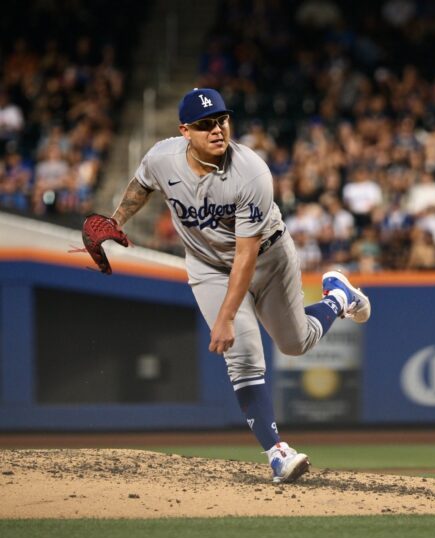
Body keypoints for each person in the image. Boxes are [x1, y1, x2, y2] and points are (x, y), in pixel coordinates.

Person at [109, 88, 371, 483]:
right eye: (205, 124)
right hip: (209, 266)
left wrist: (226, 317)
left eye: (221, 119)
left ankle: (337, 297)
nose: (217, 129)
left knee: (295, 343)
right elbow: (141, 184)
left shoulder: (251, 172)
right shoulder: (162, 158)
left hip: (267, 257)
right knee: (245, 355)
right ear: (185, 131)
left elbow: (245, 256)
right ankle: (278, 453)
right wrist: (114, 223)